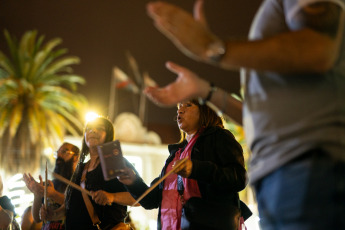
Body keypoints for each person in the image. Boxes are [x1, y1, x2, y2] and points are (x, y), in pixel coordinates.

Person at [145, 0, 345, 229]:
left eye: (188, 105)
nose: (180, 110)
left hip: (308, 169)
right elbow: (259, 118)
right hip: (280, 180)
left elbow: (318, 49)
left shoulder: (217, 139)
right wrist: (205, 90)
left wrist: (215, 48)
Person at [118, 99, 249, 230]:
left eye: (188, 105)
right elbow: (151, 200)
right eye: (179, 106)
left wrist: (196, 168)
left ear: (206, 109)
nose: (180, 110)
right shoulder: (176, 155)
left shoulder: (219, 137)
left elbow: (238, 178)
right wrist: (132, 181)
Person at [41, 116, 137, 230]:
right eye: (89, 128)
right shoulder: (80, 168)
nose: (93, 131)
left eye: (99, 128)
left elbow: (139, 197)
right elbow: (71, 206)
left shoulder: (114, 162)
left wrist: (112, 196)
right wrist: (53, 214)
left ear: (108, 135)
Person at [23, 142, 80, 230]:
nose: (59, 155)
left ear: (76, 157)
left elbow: (76, 206)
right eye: (58, 153)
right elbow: (37, 218)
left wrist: (53, 194)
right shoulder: (51, 184)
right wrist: (37, 194)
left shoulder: (79, 183)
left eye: (64, 152)